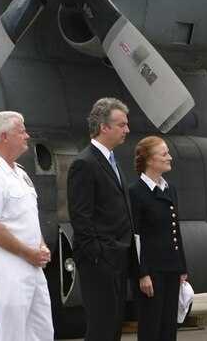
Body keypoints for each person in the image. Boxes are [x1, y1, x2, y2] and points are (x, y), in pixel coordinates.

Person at [0, 111, 54, 341]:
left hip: (31, 261)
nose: (27, 136)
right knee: (12, 335)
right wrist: (28, 252)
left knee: (42, 331)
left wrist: (41, 245)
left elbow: (26, 218)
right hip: (7, 262)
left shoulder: (20, 174)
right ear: (5, 136)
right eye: (22, 131)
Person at [67, 97, 136, 341]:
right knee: (101, 328)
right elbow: (80, 216)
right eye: (121, 125)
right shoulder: (84, 164)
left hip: (117, 257)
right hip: (101, 261)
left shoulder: (112, 161)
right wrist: (98, 255)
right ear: (103, 127)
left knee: (113, 327)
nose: (127, 130)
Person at [129, 136, 188, 341]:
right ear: (149, 160)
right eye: (163, 154)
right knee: (151, 327)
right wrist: (142, 273)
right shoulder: (135, 192)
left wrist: (182, 267)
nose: (169, 157)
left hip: (171, 268)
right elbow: (134, 237)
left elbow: (175, 230)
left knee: (168, 327)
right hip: (151, 272)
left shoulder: (169, 189)